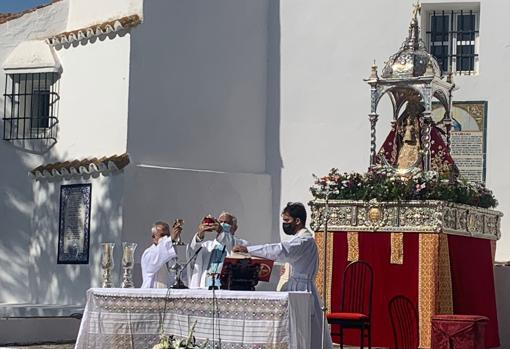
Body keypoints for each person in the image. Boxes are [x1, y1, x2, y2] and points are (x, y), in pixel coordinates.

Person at [233, 202, 333, 349]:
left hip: (301, 289)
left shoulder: (304, 240)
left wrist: (249, 249)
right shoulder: (299, 239)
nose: (284, 224)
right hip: (294, 286)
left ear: (297, 221)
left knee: (301, 329)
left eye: (287, 221)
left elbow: (281, 251)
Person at [187, 211, 248, 289]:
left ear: (235, 227)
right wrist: (200, 235)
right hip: (204, 288)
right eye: (220, 222)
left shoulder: (240, 243)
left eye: (226, 222)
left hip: (226, 288)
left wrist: (220, 231)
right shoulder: (207, 245)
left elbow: (229, 243)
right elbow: (192, 254)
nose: (222, 224)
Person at [141, 221, 182, 288]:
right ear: (153, 237)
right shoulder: (148, 253)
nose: (165, 238)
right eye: (162, 235)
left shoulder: (169, 252)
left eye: (168, 235)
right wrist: (170, 239)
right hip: (152, 293)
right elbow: (158, 257)